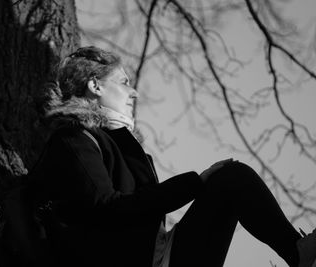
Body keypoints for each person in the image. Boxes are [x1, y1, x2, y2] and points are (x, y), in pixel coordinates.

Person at [29, 46, 316, 267]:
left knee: (232, 177)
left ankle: (300, 255)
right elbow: (106, 207)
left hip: (160, 255)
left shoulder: (116, 141)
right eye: (124, 82)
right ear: (96, 86)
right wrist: (195, 184)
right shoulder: (73, 139)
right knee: (229, 178)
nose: (134, 92)